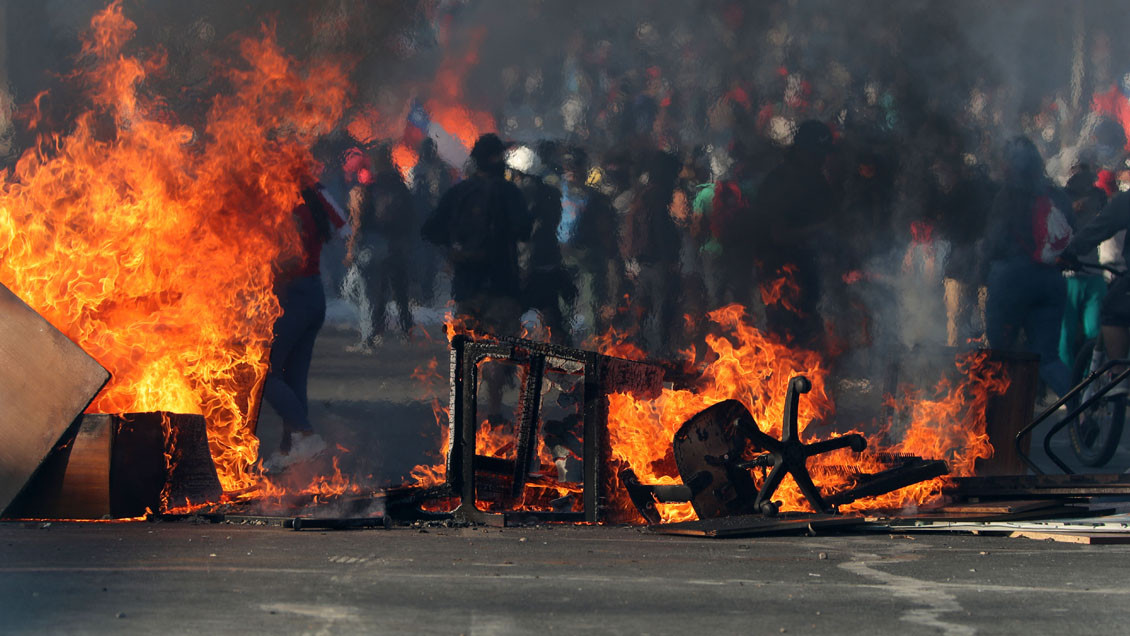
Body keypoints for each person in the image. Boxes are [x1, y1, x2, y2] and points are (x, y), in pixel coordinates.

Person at [262, 177, 345, 472]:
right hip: (313, 293)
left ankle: (305, 434)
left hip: (292, 294)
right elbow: (342, 222)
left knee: (265, 373)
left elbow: (288, 256)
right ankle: (290, 449)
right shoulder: (315, 197)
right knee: (293, 376)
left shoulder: (290, 204)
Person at [982, 136, 1075, 398]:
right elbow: (1070, 234)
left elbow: (994, 241)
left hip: (1010, 279)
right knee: (1048, 359)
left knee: (1000, 354)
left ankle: (995, 420)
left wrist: (979, 270)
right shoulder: (1056, 194)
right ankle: (1083, 413)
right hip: (1051, 281)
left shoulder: (1008, 195)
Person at [422, 133, 532, 337]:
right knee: (502, 354)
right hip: (502, 285)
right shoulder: (509, 192)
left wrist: (454, 251)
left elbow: (430, 230)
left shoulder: (459, 193)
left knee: (468, 355)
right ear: (495, 158)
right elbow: (524, 231)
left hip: (467, 287)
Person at [752, 120, 838, 349]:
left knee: (811, 341)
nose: (822, 160)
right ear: (801, 151)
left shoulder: (818, 182)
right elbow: (778, 235)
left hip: (810, 277)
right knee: (785, 342)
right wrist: (820, 229)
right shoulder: (779, 183)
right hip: (781, 278)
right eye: (817, 153)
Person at [343, 145, 415, 351]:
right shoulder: (400, 187)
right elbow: (411, 216)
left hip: (376, 244)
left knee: (373, 291)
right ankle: (403, 331)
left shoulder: (372, 187)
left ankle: (374, 333)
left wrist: (354, 245)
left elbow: (363, 218)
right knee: (398, 290)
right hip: (397, 244)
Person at [506, 144, 574, 344]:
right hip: (549, 265)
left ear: (517, 171)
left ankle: (507, 366)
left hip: (525, 268)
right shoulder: (551, 193)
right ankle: (563, 366)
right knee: (552, 319)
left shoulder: (517, 194)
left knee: (509, 323)